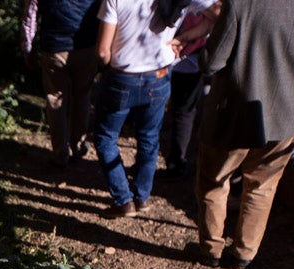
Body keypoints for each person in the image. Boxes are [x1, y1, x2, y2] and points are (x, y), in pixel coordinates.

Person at [188, 0, 294, 269]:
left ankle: (211, 249)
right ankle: (245, 253)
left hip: (232, 114)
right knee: (262, 186)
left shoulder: (240, 3)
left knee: (214, 181)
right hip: (287, 116)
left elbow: (212, 62)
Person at [93, 0, 218, 218]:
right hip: (159, 76)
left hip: (122, 77)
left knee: (105, 137)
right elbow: (218, 13)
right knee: (149, 137)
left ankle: (123, 200)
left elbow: (103, 51)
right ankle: (141, 197)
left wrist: (111, 66)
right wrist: (183, 38)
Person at [20, 0, 101, 169]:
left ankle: (60, 153)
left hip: (54, 48)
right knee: (82, 97)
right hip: (86, 47)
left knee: (55, 100)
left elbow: (30, 16)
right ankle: (78, 146)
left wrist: (28, 49)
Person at [160, 3, 221, 181]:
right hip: (186, 55)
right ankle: (175, 162)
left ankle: (171, 163)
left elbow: (215, 16)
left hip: (173, 55)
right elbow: (215, 17)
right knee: (182, 111)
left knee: (176, 110)